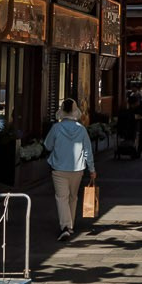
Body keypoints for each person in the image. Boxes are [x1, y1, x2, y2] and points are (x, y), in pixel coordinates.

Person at [44, 100, 94, 239]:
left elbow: (48, 145)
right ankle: (69, 225)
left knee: (61, 197)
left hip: (59, 168)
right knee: (73, 197)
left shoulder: (56, 128)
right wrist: (92, 169)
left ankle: (65, 226)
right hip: (77, 169)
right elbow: (87, 151)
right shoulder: (81, 128)